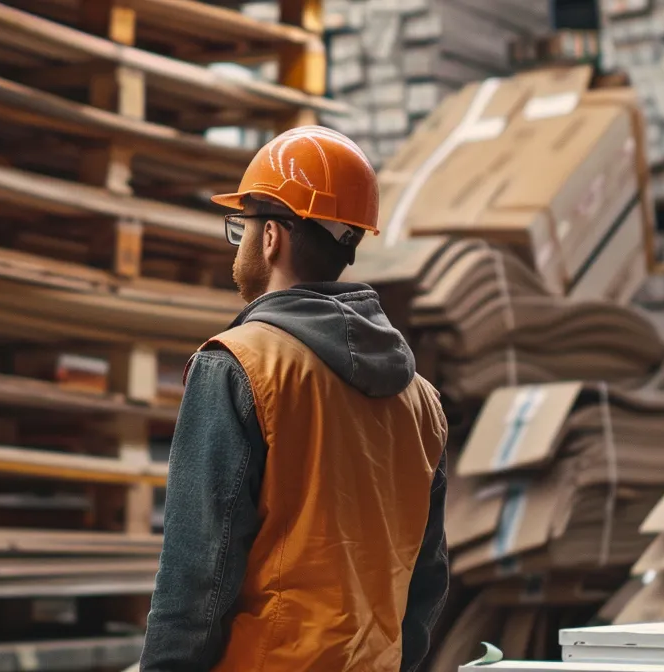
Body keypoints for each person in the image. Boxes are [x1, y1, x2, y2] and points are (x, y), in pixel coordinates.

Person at [140, 126, 451, 671]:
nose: (240, 243)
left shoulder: (238, 366)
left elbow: (196, 579)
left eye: (242, 227)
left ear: (271, 237)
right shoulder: (421, 403)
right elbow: (425, 584)